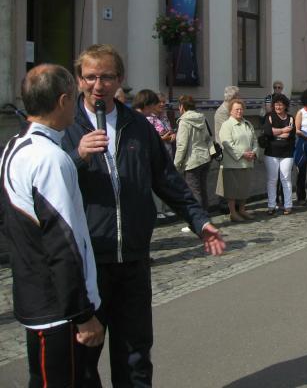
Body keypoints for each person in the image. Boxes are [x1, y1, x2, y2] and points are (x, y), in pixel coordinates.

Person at [62, 44, 224, 386]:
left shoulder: (137, 125)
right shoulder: (65, 126)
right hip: (89, 262)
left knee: (135, 355)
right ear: (79, 80)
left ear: (120, 79)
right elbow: (48, 188)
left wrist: (199, 220)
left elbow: (167, 180)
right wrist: (76, 157)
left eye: (107, 77)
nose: (98, 85)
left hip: (133, 260)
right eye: (90, 77)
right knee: (83, 360)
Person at [1, 64, 105, 388]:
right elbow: (63, 241)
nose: (77, 104)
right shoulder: (50, 159)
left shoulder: (15, 146)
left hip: (38, 295)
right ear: (63, 101)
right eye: (74, 97)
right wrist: (82, 314)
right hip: (58, 309)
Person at [133, 89, 177, 220]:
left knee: (166, 181)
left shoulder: (164, 117)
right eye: (160, 102)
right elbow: (149, 137)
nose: (162, 104)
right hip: (154, 155)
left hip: (167, 153)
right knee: (156, 182)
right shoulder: (148, 118)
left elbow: (168, 131)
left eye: (164, 102)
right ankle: (157, 210)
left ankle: (165, 208)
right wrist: (162, 138)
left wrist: (172, 136)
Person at [218, 99, 258, 221]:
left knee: (244, 188)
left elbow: (254, 140)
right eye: (236, 109)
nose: (239, 111)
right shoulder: (226, 125)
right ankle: (233, 213)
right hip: (233, 163)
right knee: (232, 189)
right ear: (230, 111)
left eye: (241, 109)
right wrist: (242, 154)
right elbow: (227, 144)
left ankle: (242, 210)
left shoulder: (248, 124)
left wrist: (254, 152)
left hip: (247, 162)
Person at [173, 94, 213, 215]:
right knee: (202, 189)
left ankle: (199, 220)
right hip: (205, 158)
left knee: (194, 192)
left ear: (182, 107)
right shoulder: (202, 118)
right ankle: (205, 215)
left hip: (192, 161)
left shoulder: (184, 121)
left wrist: (176, 165)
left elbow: (182, 146)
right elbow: (207, 138)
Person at [261, 93, 296, 215]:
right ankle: (271, 205)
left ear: (285, 106)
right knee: (272, 180)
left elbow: (289, 135)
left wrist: (275, 132)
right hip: (271, 152)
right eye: (276, 104)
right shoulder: (269, 116)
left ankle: (288, 205)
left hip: (287, 153)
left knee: (286, 179)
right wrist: (282, 130)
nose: (278, 107)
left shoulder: (290, 118)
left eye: (280, 104)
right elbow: (267, 131)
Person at [214, 85, 240, 213]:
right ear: (232, 97)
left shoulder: (233, 109)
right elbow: (223, 134)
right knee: (224, 178)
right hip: (224, 150)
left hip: (234, 149)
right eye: (238, 96)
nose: (239, 98)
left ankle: (233, 203)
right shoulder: (222, 111)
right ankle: (224, 204)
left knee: (233, 178)